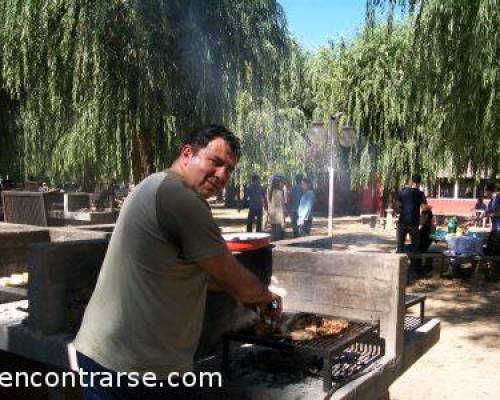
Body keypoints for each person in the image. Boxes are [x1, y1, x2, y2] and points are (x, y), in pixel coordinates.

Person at [73, 125, 281, 399]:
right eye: (215, 162)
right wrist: (265, 297)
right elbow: (227, 273)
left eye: (229, 169)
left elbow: (192, 274)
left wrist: (244, 293)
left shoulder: (153, 183)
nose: (222, 175)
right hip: (135, 369)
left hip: (106, 355)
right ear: (187, 153)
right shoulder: (180, 198)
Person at [396, 175, 427, 253]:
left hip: (402, 221)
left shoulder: (403, 191)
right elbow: (424, 208)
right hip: (414, 222)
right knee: (415, 246)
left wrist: (403, 212)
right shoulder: (420, 194)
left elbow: (397, 206)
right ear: (419, 183)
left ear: (411, 181)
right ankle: (414, 264)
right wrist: (423, 220)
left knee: (400, 246)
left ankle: (399, 263)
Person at [268, 176, 286, 240]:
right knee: (279, 228)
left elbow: (268, 202)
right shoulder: (280, 192)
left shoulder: (269, 192)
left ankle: (274, 240)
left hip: (272, 212)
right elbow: (281, 203)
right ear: (278, 183)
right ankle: (278, 241)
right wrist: (284, 212)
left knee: (273, 228)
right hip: (278, 213)